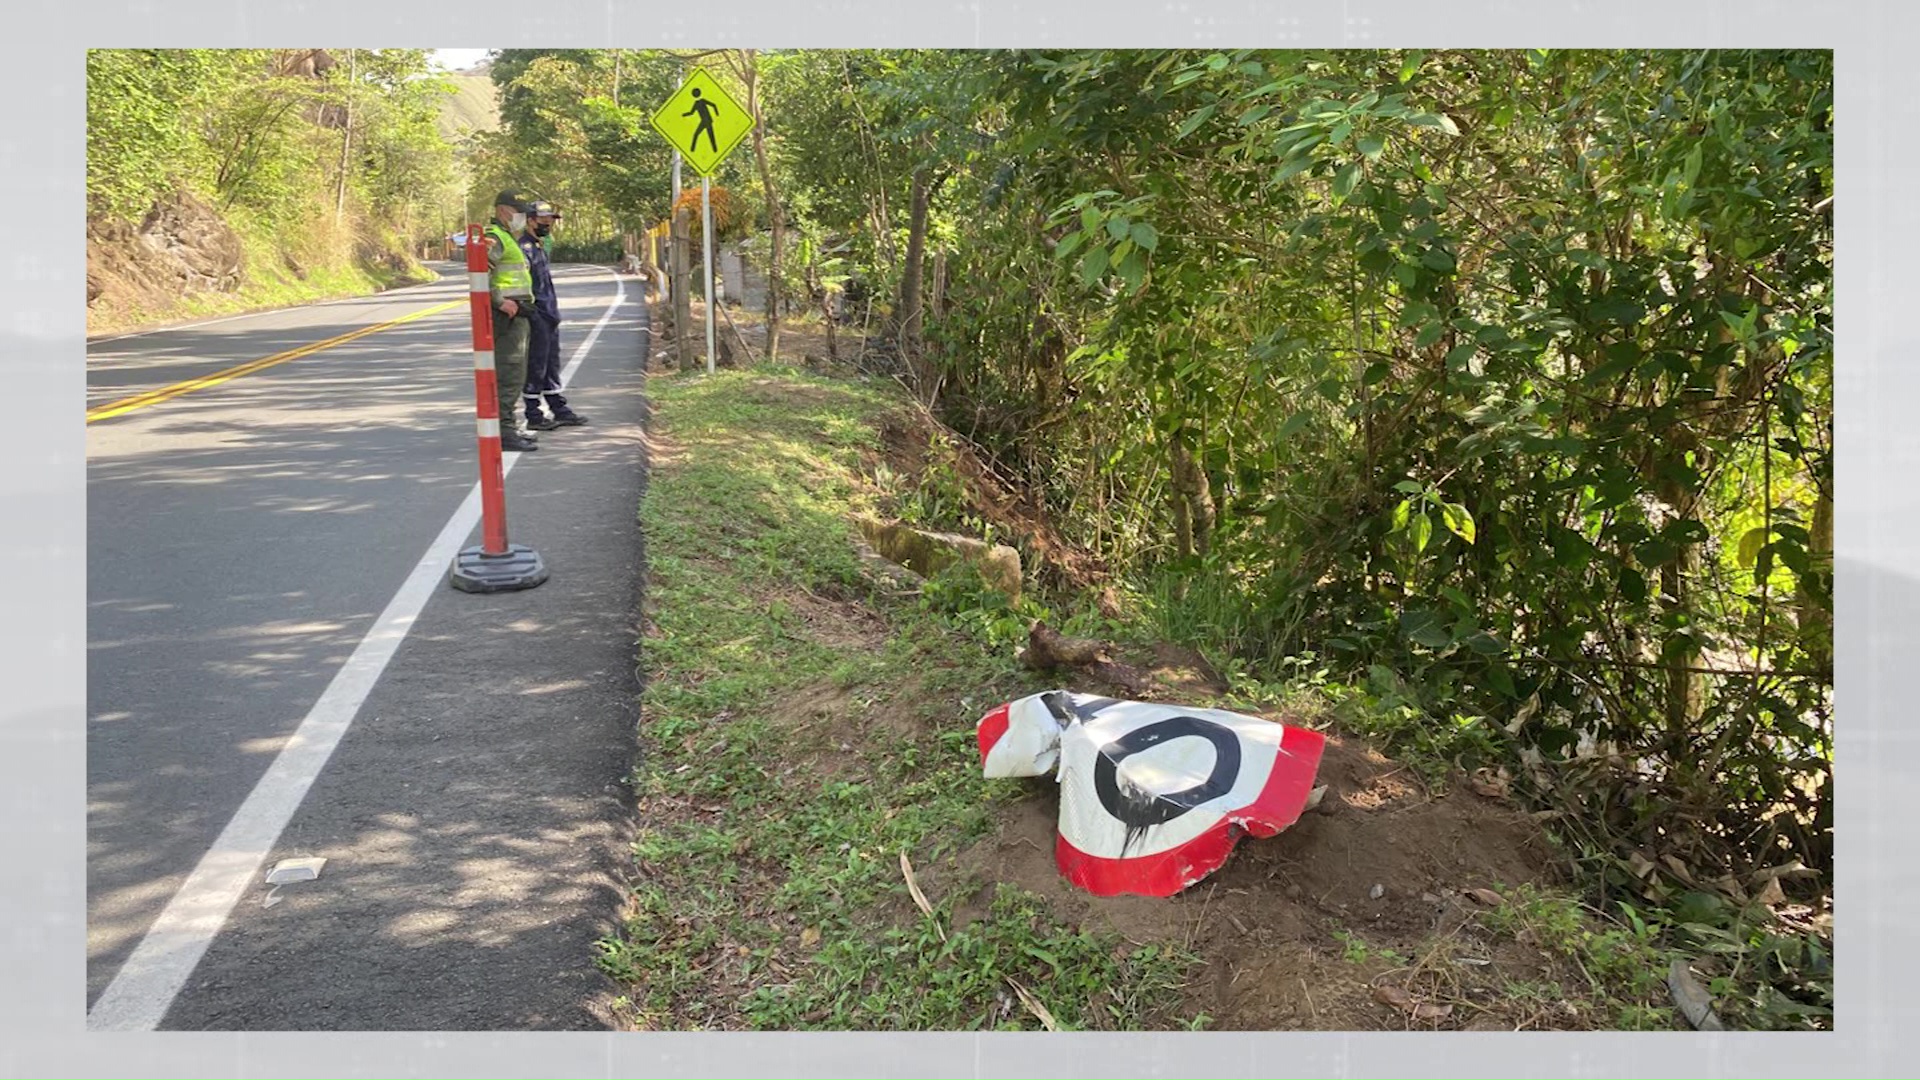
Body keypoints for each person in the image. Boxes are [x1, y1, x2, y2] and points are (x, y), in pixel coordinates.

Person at [520, 200, 588, 431]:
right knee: (536, 364)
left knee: (551, 363)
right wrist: (534, 312)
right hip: (537, 313)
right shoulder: (524, 248)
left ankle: (558, 407)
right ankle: (533, 413)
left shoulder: (539, 246)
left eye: (550, 220)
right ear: (530, 220)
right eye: (543, 220)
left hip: (549, 314)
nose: (547, 224)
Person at [485, 190, 540, 452]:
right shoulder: (494, 237)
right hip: (506, 317)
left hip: (519, 315)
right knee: (509, 373)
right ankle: (504, 432)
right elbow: (478, 274)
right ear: (504, 211)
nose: (523, 217)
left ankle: (509, 426)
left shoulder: (508, 237)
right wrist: (499, 301)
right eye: (520, 212)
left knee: (516, 374)